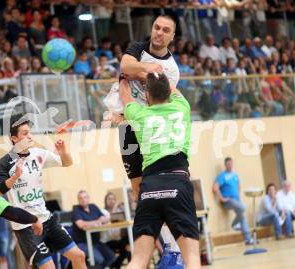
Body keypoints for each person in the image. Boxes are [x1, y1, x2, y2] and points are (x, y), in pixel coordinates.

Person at [119, 73, 200, 269]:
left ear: (147, 95)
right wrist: (157, 72)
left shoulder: (138, 114)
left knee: (138, 260)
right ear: (169, 93)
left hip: (150, 187)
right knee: (192, 259)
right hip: (178, 184)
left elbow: (125, 95)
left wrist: (124, 76)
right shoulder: (183, 107)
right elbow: (174, 89)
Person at [0, 118, 86, 269]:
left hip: (47, 219)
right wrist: (14, 177)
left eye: (30, 132)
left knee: (79, 256)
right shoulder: (5, 162)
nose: (30, 136)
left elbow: (67, 162)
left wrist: (63, 153)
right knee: (49, 267)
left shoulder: (38, 154)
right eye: (25, 133)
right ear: (14, 139)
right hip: (25, 226)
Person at [117, 15, 180, 200]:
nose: (159, 33)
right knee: (136, 189)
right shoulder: (138, 48)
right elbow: (125, 66)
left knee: (156, 186)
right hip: (126, 125)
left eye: (165, 30)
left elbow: (157, 99)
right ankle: (146, 225)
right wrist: (148, 69)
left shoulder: (172, 70)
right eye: (157, 27)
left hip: (148, 127)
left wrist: (135, 72)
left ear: (172, 36)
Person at [213, 157, 253, 244]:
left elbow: (238, 186)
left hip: (236, 200)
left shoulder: (235, 175)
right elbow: (215, 188)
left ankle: (248, 239)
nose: (230, 165)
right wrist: (222, 198)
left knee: (242, 216)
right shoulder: (222, 176)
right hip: (228, 201)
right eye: (228, 164)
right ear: (225, 165)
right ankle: (234, 225)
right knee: (243, 208)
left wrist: (238, 196)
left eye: (231, 164)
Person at [72, 190, 116, 268]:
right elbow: (81, 224)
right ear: (78, 200)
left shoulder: (93, 206)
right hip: (82, 243)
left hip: (96, 242)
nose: (83, 199)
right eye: (80, 198)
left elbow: (105, 218)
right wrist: (97, 222)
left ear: (88, 198)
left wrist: (97, 221)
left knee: (111, 257)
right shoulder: (76, 210)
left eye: (85, 197)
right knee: (99, 259)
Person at [101, 192, 130, 269]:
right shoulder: (102, 212)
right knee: (126, 248)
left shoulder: (119, 210)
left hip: (117, 239)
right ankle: (115, 266)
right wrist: (115, 207)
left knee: (129, 246)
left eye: (113, 199)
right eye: (109, 199)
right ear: (105, 201)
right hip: (107, 241)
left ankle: (119, 266)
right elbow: (112, 217)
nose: (112, 201)